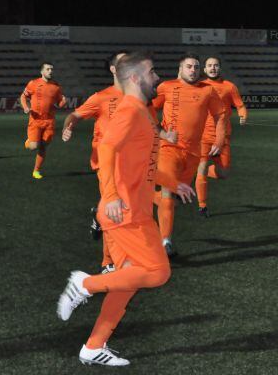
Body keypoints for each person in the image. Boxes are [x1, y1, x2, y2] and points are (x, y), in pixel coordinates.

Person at [55, 51, 195, 367]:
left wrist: (171, 183)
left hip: (133, 209)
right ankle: (84, 284)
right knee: (159, 273)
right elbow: (106, 148)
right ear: (135, 78)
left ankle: (93, 346)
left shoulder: (144, 112)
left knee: (128, 282)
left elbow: (142, 164)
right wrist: (112, 195)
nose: (157, 76)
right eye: (151, 72)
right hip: (126, 212)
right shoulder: (131, 110)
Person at [62, 51, 178, 273]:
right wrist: (68, 126)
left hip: (134, 164)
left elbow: (152, 126)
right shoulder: (101, 97)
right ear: (114, 70)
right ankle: (108, 263)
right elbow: (75, 115)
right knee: (116, 211)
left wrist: (165, 136)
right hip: (106, 162)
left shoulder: (141, 98)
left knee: (128, 213)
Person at [152, 53, 226, 257]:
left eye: (195, 67)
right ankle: (165, 242)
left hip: (193, 154)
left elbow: (220, 115)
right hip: (168, 149)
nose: (192, 70)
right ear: (180, 69)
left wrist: (219, 140)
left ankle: (147, 196)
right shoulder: (166, 87)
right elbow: (147, 109)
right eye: (188, 66)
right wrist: (161, 132)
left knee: (175, 199)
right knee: (168, 192)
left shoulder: (208, 90)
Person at [195, 56, 248, 217]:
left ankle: (199, 173)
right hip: (203, 136)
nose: (213, 68)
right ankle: (202, 206)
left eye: (216, 65)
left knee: (224, 173)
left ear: (220, 68)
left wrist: (243, 115)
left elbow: (240, 105)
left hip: (223, 136)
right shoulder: (199, 86)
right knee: (202, 167)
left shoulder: (229, 87)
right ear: (204, 69)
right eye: (209, 65)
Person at [20, 62, 66, 179]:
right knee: (34, 146)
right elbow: (23, 96)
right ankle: (28, 143)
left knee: (44, 146)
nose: (50, 71)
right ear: (42, 71)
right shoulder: (33, 83)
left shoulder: (56, 86)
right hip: (35, 120)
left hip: (49, 121)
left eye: (51, 69)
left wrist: (62, 103)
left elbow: (60, 102)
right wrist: (26, 107)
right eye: (48, 69)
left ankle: (36, 171)